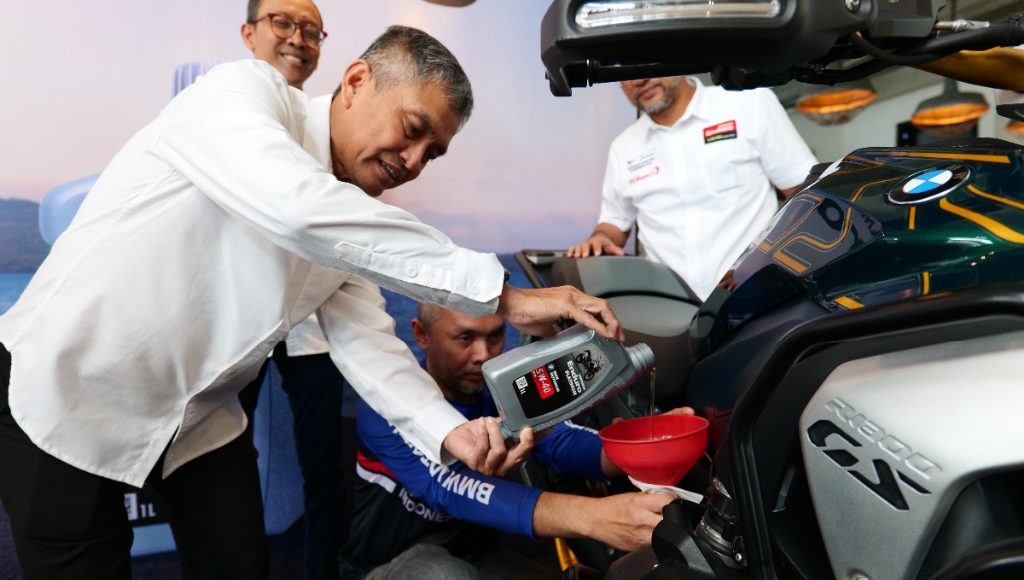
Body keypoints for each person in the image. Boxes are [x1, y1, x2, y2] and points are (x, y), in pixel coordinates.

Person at [0, 25, 623, 579]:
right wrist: (507, 297)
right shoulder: (241, 94)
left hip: (199, 420)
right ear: (356, 81)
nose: (414, 162)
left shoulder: (351, 224)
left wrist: (450, 433)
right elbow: (296, 211)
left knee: (239, 565)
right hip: (70, 391)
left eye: (432, 152)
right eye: (412, 131)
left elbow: (369, 346)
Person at [338, 303, 687, 579]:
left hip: (476, 553)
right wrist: (596, 518)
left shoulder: (496, 391)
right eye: (464, 338)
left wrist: (638, 447)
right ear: (421, 335)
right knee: (444, 574)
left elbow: (559, 441)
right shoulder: (387, 406)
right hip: (386, 564)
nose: (483, 354)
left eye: (494, 336)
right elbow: (451, 487)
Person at [238, 1, 353, 578]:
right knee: (222, 455)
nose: (298, 38)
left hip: (311, 322)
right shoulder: (228, 113)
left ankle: (321, 572)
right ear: (249, 33)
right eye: (283, 22)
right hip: (242, 317)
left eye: (311, 30)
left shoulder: (330, 127)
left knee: (323, 466)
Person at [566, 75, 818, 301]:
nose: (638, 80)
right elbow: (614, 223)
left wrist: (763, 263)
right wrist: (601, 237)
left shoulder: (749, 103)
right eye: (624, 76)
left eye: (645, 65)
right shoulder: (623, 146)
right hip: (668, 309)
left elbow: (807, 195)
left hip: (754, 294)